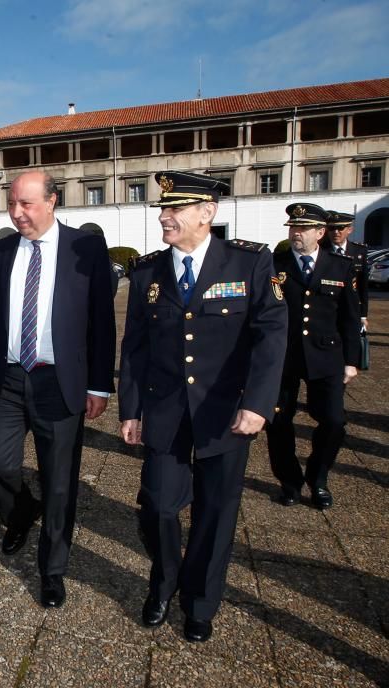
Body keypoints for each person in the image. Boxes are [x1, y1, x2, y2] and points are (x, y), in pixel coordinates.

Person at [119, 171, 287, 643]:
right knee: (157, 506)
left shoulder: (249, 262)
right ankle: (165, 579)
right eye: (162, 209)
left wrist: (258, 403)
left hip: (227, 413)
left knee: (215, 514)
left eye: (175, 209)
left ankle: (199, 602)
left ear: (206, 213)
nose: (164, 217)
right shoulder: (148, 271)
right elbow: (135, 347)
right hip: (165, 411)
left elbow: (271, 336)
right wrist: (130, 410)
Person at [0, 171, 116, 609]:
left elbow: (102, 323)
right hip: (9, 377)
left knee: (60, 483)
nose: (16, 212)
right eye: (12, 203)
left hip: (59, 380)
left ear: (52, 202)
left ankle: (52, 570)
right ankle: (21, 512)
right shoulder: (0, 251)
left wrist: (100, 384)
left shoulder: (85, 249)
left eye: (26, 204)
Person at [265, 203, 361, 511]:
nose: (296, 233)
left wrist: (351, 360)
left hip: (326, 355)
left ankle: (318, 479)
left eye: (303, 229)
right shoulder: (273, 264)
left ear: (320, 232)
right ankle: (289, 481)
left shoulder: (340, 265)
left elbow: (349, 316)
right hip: (283, 357)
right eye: (293, 228)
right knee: (279, 421)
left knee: (333, 421)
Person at [322, 210, 369, 329]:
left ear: (349, 230)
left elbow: (362, 285)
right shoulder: (320, 250)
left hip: (351, 307)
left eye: (341, 228)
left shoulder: (359, 251)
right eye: (332, 228)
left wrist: (363, 315)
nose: (336, 232)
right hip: (327, 307)